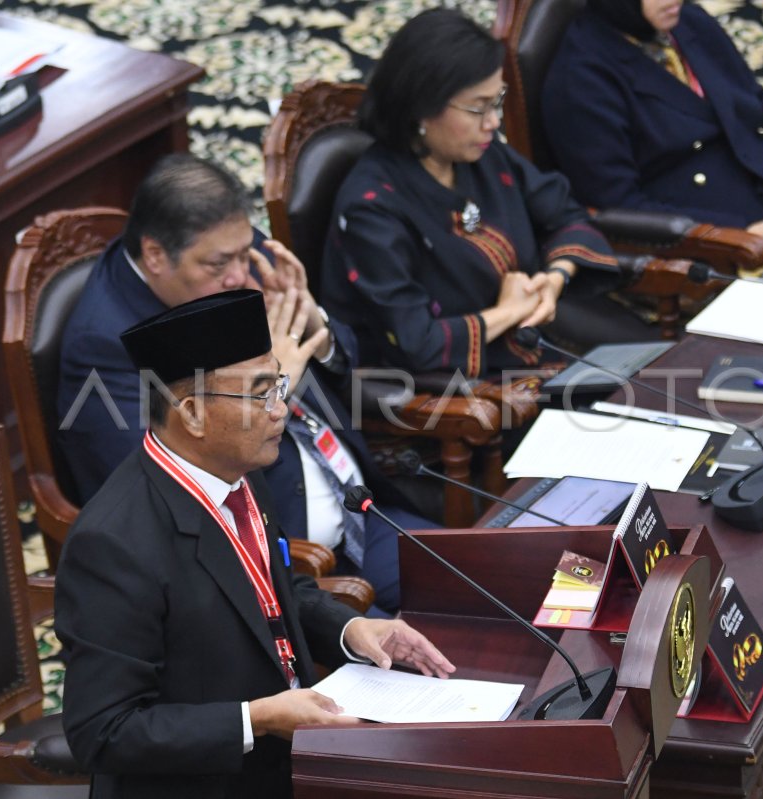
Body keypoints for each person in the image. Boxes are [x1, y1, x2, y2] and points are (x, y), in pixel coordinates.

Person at [55, 290, 454, 799]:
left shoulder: (237, 475)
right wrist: (256, 719)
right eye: (259, 394)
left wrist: (353, 629)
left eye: (279, 387)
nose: (280, 411)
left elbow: (275, 588)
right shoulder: (111, 545)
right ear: (194, 414)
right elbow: (102, 732)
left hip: (295, 761)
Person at [57, 154, 431, 615]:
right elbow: (170, 490)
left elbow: (344, 358)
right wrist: (278, 385)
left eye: (243, 252)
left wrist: (314, 320)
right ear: (155, 255)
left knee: (506, 586)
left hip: (362, 510)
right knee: (433, 662)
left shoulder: (234, 254)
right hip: (282, 560)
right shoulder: (106, 347)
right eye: (218, 265)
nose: (239, 277)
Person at [321, 7, 647, 379]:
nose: (493, 122)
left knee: (672, 378)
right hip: (474, 393)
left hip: (542, 343)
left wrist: (554, 278)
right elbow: (416, 342)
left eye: (497, 101)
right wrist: (508, 312)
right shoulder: (371, 209)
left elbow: (565, 215)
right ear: (420, 109)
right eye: (478, 108)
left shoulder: (482, 155)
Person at [541, 0, 763, 246]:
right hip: (704, 252)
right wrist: (739, 236)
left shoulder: (690, 22)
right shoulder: (581, 81)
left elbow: (761, 121)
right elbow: (617, 206)